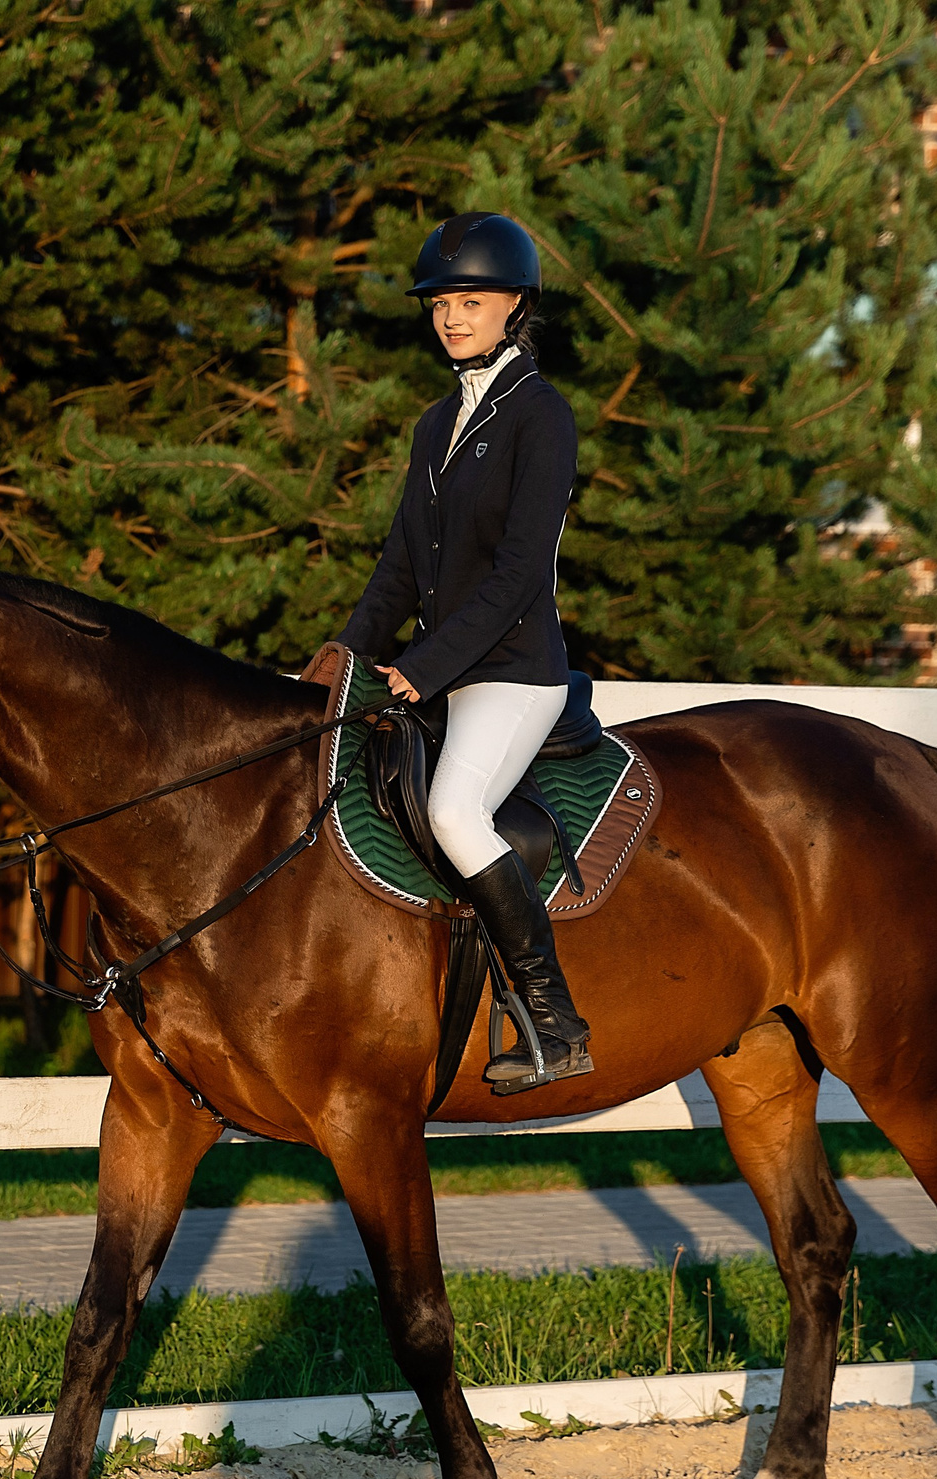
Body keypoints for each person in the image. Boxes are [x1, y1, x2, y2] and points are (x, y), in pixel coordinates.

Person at [333, 210, 592, 1090]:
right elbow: (401, 564)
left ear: (514, 305)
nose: (451, 316)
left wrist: (426, 667)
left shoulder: (541, 416)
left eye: (470, 301)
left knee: (452, 811)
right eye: (440, 302)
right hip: (440, 672)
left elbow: (522, 571)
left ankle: (555, 1022)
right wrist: (343, 659)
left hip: (513, 675)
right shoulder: (434, 423)